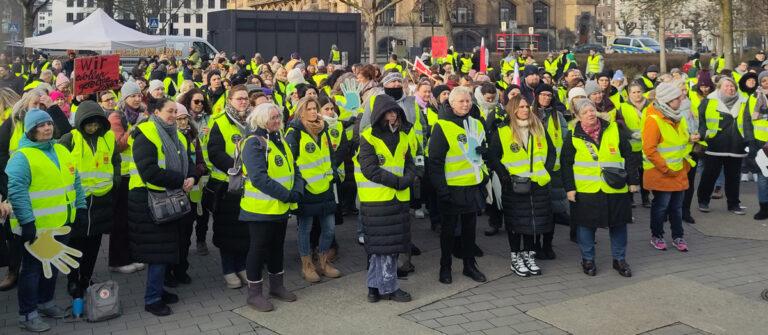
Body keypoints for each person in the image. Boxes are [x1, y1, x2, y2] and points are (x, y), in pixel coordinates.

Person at [7, 108, 86, 332]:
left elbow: (76, 181)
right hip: (36, 228)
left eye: (49, 124)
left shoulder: (61, 149)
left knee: (52, 265)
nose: (47, 128)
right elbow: (16, 192)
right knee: (31, 271)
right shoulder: (21, 157)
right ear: (31, 131)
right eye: (40, 126)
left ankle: (46, 302)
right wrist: (27, 222)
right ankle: (28, 314)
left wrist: (80, 208)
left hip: (61, 224)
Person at [127, 97, 195, 317]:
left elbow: (190, 163)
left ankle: (159, 290)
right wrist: (180, 180)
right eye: (170, 111)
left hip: (169, 197)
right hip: (147, 199)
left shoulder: (178, 136)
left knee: (165, 249)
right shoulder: (145, 133)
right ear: (156, 112)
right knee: (157, 252)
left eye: (176, 111)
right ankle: (152, 299)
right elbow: (148, 171)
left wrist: (191, 177)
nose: (174, 116)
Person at [561, 99, 639, 277]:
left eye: (592, 110)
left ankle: (619, 260)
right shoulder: (573, 134)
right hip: (587, 189)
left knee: (618, 225)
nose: (590, 114)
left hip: (615, 187)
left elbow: (628, 154)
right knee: (586, 227)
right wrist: (569, 188)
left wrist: (633, 181)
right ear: (578, 116)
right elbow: (566, 163)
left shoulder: (613, 128)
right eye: (585, 112)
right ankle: (588, 259)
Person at [240, 103, 299, 312]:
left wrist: (297, 188)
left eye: (278, 117)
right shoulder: (253, 143)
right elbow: (258, 178)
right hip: (259, 210)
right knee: (257, 250)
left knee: (276, 248)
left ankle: (277, 287)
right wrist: (288, 195)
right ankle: (254, 294)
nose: (276, 121)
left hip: (279, 208)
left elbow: (294, 168)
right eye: (272, 117)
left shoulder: (279, 139)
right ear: (261, 119)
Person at [356, 94, 415, 302]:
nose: (393, 116)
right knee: (382, 249)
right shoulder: (368, 137)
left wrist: (408, 177)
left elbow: (410, 163)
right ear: (380, 114)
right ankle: (388, 288)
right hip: (377, 200)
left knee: (387, 248)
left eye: (396, 112)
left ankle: (374, 287)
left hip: (397, 199)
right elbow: (370, 169)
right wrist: (399, 182)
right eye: (389, 112)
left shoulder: (404, 136)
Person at [58, 100, 119, 300]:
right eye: (88, 123)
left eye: (96, 123)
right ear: (80, 122)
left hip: (102, 200)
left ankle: (86, 277)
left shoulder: (108, 137)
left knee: (93, 245)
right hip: (79, 202)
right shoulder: (69, 139)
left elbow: (116, 160)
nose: (93, 127)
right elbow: (57, 165)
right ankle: (73, 279)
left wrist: (116, 180)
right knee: (75, 244)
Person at [488, 95, 554, 277]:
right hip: (515, 185)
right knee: (516, 223)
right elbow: (493, 156)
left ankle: (529, 254)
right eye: (521, 107)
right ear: (513, 109)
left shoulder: (539, 127)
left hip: (537, 184)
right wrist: (504, 176)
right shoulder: (503, 131)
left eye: (527, 106)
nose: (525, 109)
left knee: (533, 223)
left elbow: (551, 152)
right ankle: (516, 256)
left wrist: (545, 171)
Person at [429, 86, 488, 285]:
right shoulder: (442, 126)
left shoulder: (477, 123)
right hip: (452, 188)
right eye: (461, 101)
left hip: (472, 186)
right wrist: (441, 189)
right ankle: (445, 267)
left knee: (470, 230)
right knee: (449, 231)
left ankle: (469, 265)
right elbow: (435, 161)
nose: (465, 104)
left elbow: (482, 155)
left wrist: (484, 176)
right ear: (451, 103)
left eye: (468, 101)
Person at [285, 96, 341, 283]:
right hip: (306, 190)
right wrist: (300, 185)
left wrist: (332, 173)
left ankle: (323, 262)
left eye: (314, 108)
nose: (312, 112)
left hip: (325, 187)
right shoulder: (294, 133)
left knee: (329, 228)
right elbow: (290, 162)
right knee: (305, 229)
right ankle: (306, 265)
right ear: (301, 111)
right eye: (308, 109)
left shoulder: (323, 129)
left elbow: (330, 155)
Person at [202, 85, 252, 289]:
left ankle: (242, 267)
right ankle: (228, 269)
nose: (243, 102)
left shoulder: (252, 121)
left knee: (244, 229)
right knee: (227, 231)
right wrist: (237, 168)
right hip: (226, 186)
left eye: (246, 98)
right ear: (229, 100)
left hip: (248, 186)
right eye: (239, 98)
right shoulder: (219, 121)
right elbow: (214, 153)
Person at [643, 82, 697, 252]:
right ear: (668, 101)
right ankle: (657, 235)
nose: (681, 100)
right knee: (661, 207)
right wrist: (666, 169)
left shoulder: (676, 116)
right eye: (677, 98)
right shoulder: (653, 119)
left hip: (678, 170)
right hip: (662, 172)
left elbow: (678, 140)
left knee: (676, 207)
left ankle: (678, 236)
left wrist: (690, 139)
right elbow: (649, 149)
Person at [697, 77, 752, 215]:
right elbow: (701, 120)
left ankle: (733, 204)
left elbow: (748, 122)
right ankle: (703, 201)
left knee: (733, 177)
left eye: (732, 86)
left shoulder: (744, 102)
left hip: (736, 145)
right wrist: (705, 135)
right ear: (719, 88)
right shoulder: (709, 101)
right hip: (715, 144)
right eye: (727, 86)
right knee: (709, 175)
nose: (730, 88)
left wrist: (748, 140)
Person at [108, 81, 146, 274]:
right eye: (133, 96)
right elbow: (118, 145)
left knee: (133, 219)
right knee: (120, 220)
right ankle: (118, 260)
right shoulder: (117, 116)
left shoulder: (143, 114)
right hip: (122, 176)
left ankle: (132, 255)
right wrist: (136, 128)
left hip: (138, 175)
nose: (137, 98)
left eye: (139, 95)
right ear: (124, 98)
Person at [617, 83, 651, 207]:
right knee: (630, 172)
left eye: (639, 92)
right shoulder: (623, 107)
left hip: (647, 145)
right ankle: (630, 198)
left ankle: (645, 197)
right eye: (634, 92)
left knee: (645, 173)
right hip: (630, 145)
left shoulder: (650, 106)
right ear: (629, 94)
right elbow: (621, 125)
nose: (637, 95)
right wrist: (631, 134)